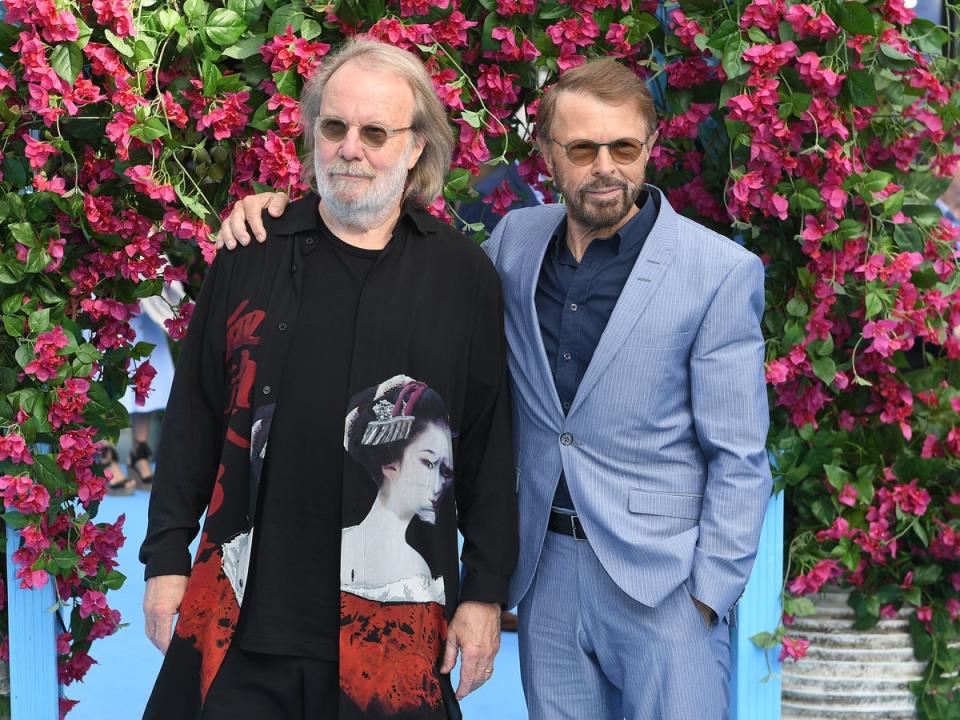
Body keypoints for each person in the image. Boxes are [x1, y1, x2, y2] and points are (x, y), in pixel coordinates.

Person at [220, 58, 772, 720]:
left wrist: (708, 594)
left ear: (650, 148)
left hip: (664, 585)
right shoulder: (514, 241)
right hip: (545, 575)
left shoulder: (719, 271)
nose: (605, 167)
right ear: (546, 154)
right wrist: (282, 210)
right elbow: (398, 251)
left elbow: (739, 456)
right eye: (582, 148)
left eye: (624, 147)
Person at [140, 38, 517, 720]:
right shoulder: (250, 251)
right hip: (241, 619)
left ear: (417, 149)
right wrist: (166, 557)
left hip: (394, 643)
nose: (351, 148)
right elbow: (195, 413)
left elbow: (490, 448)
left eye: (376, 132)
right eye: (334, 126)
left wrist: (485, 592)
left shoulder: (464, 279)